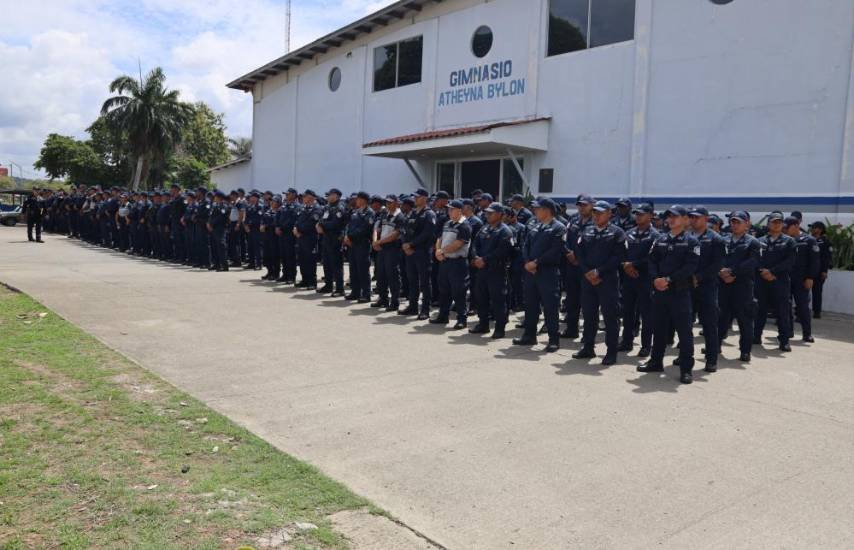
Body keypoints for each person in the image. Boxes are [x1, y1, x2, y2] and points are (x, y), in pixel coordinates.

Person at [637, 205, 700, 384]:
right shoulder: (660, 239)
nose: (671, 219)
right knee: (659, 329)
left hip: (679, 292)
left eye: (675, 216)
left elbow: (690, 267)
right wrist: (656, 279)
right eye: (669, 216)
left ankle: (686, 368)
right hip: (660, 292)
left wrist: (668, 279)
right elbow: (651, 261)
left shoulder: (691, 242)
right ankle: (656, 361)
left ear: (685, 219)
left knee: (684, 332)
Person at [573, 200, 627, 365]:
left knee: (610, 317)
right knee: (589, 315)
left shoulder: (617, 232)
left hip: (607, 280)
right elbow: (579, 253)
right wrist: (587, 271)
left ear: (610, 214)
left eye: (601, 213)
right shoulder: (586, 231)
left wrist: (599, 271)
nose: (596, 216)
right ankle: (588, 347)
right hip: (588, 279)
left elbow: (618, 256)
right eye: (595, 212)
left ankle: (611, 352)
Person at [513, 197, 566, 353]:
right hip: (531, 272)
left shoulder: (559, 227)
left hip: (547, 272)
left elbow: (555, 250)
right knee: (530, 305)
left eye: (538, 208)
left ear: (547, 210)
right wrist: (528, 262)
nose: (534, 211)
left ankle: (553, 340)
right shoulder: (535, 225)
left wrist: (536, 262)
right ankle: (529, 335)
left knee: (550, 307)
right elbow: (525, 245)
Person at [718, 211, 761, 362]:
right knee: (721, 317)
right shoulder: (723, 240)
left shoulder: (753, 242)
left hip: (742, 287)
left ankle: (745, 351)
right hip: (723, 285)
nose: (735, 225)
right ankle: (715, 346)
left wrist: (732, 272)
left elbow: (752, 262)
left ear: (747, 224)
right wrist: (722, 272)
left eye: (738, 222)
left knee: (745, 320)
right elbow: (717, 258)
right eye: (733, 222)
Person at [688, 206, 726, 370]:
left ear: (705, 219)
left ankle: (711, 359)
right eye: (692, 217)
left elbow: (717, 264)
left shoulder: (716, 239)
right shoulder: (686, 236)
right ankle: (685, 356)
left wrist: (699, 277)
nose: (694, 220)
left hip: (707, 287)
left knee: (709, 325)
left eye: (697, 217)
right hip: (687, 287)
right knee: (685, 324)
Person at [619, 202, 658, 357]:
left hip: (645, 279)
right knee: (627, 311)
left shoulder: (656, 235)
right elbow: (621, 252)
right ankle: (626, 341)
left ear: (650, 216)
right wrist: (625, 265)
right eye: (637, 213)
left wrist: (633, 265)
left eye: (642, 214)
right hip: (628, 278)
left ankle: (646, 345)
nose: (638, 216)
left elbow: (652, 258)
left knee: (646, 313)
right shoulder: (628, 233)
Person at [470, 202, 513, 339]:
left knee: (498, 300)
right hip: (482, 270)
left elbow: (503, 250)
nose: (487, 215)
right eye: (487, 213)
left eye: (491, 213)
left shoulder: (505, 231)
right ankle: (483, 324)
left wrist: (485, 259)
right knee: (481, 297)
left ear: (500, 214)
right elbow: (474, 244)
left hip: (496, 270)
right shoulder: (484, 229)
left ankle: (500, 328)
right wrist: (475, 257)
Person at [753, 212, 795, 352]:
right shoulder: (759, 241)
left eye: (779, 222)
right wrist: (763, 271)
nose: (776, 224)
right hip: (762, 280)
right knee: (760, 310)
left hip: (780, 281)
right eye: (773, 221)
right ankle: (756, 336)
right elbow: (755, 260)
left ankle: (784, 341)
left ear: (782, 224)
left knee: (782, 312)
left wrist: (773, 272)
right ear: (768, 224)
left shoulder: (789, 241)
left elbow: (790, 261)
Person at [430, 200, 472, 329]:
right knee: (444, 290)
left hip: (457, 263)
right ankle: (443, 316)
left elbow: (459, 243)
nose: (449, 211)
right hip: (445, 261)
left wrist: (442, 251)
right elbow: (440, 239)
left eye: (452, 209)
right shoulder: (447, 223)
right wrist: (438, 250)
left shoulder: (464, 225)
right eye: (448, 209)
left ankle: (461, 319)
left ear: (459, 211)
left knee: (458, 292)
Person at [400, 189, 437, 320]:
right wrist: (405, 244)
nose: (415, 199)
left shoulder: (429, 214)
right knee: (412, 280)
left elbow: (428, 233)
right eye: (414, 197)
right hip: (410, 252)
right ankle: (413, 306)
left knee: (425, 282)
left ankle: (425, 309)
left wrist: (411, 245)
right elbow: (404, 230)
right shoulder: (412, 213)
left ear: (425, 198)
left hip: (422, 252)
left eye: (418, 197)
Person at [562, 195, 594, 339]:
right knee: (572, 299)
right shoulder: (573, 219)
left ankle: (587, 335)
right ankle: (571, 329)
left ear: (592, 205)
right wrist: (569, 253)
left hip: (586, 267)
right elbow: (565, 238)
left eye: (585, 205)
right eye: (580, 205)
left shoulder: (597, 220)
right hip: (571, 265)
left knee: (588, 303)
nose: (582, 207)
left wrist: (579, 258)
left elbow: (596, 247)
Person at [785, 216, 819, 343]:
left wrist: (810, 277)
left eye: (787, 227)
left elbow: (815, 261)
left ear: (795, 226)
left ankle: (807, 334)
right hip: (786, 279)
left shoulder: (809, 240)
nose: (785, 230)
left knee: (803, 307)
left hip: (802, 279)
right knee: (786, 306)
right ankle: (788, 331)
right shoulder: (785, 240)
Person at [372, 195, 405, 311]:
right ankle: (383, 298)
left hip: (393, 249)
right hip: (382, 249)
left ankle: (394, 301)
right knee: (380, 274)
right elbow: (377, 228)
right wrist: (375, 241)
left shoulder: (400, 217)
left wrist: (379, 242)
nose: (388, 205)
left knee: (393, 275)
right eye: (386, 203)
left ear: (397, 203)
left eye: (390, 203)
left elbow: (395, 234)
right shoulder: (384, 214)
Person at [344, 191, 375, 302]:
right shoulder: (355, 212)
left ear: (363, 200)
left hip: (362, 244)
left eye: (358, 199)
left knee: (362, 269)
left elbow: (365, 228)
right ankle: (355, 292)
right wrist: (346, 236)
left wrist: (350, 236)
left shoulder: (369, 213)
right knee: (353, 269)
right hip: (352, 244)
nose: (356, 201)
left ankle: (366, 294)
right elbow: (349, 225)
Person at [317, 188, 348, 294]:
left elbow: (335, 224)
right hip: (326, 238)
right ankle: (328, 285)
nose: (329, 196)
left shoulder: (340, 208)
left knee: (336, 264)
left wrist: (322, 225)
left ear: (337, 196)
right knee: (326, 263)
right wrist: (320, 224)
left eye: (331, 195)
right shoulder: (327, 207)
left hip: (336, 239)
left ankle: (340, 288)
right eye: (329, 195)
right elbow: (321, 219)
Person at [294, 189, 322, 289]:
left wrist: (299, 230)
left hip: (310, 238)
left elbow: (311, 224)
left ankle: (312, 282)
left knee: (310, 261)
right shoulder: (303, 208)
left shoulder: (317, 209)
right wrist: (295, 228)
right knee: (302, 260)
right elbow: (297, 220)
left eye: (305, 196)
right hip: (301, 238)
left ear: (311, 197)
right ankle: (305, 280)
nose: (303, 198)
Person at [276, 188, 301, 285]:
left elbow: (294, 220)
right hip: (282, 233)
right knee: (283, 255)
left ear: (294, 195)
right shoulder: (284, 206)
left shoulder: (297, 206)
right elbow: (277, 216)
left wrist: (284, 226)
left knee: (290, 255)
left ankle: (291, 276)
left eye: (288, 194)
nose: (286, 195)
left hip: (290, 233)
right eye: (286, 194)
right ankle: (285, 274)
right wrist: (277, 226)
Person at [809, 221, 832, 319]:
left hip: (819, 271)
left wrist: (824, 271)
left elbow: (827, 257)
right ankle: (800, 312)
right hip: (808, 270)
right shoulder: (809, 239)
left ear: (819, 229)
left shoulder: (825, 241)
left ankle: (817, 312)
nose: (812, 229)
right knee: (803, 291)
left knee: (817, 292)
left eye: (814, 227)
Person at [207, 190, 231, 272]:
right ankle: (216, 264)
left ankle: (224, 265)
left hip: (220, 228)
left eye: (216, 196)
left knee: (221, 247)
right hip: (213, 228)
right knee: (214, 246)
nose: (214, 198)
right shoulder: (215, 205)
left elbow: (221, 217)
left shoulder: (223, 206)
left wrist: (211, 224)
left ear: (219, 197)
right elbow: (210, 215)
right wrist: (209, 223)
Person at [261, 195, 282, 280]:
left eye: (274, 201)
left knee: (275, 256)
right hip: (266, 235)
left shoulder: (279, 211)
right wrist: (262, 224)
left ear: (278, 203)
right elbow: (263, 219)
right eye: (271, 201)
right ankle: (269, 272)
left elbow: (276, 223)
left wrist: (266, 225)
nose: (271, 203)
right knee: (266, 256)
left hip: (274, 236)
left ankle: (275, 273)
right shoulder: (268, 211)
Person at [243, 191, 263, 270]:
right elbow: (246, 217)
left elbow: (259, 218)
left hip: (257, 229)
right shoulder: (249, 206)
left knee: (257, 247)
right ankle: (251, 263)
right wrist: (245, 225)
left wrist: (249, 223)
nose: (250, 198)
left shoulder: (260, 207)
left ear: (256, 198)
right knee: (250, 246)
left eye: (252, 197)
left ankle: (258, 263)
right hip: (250, 229)